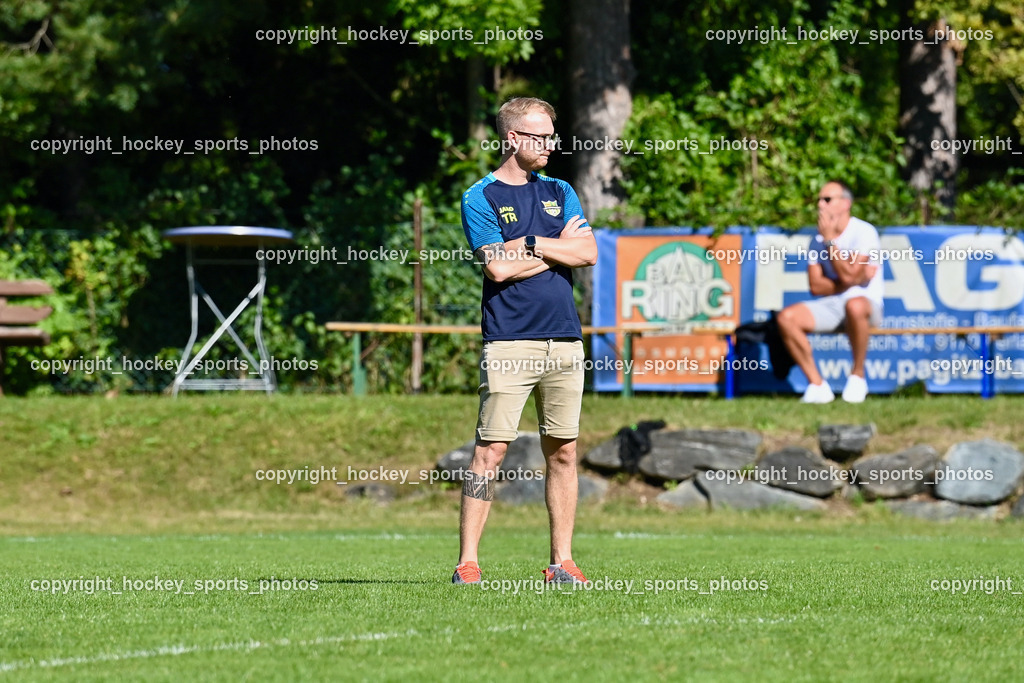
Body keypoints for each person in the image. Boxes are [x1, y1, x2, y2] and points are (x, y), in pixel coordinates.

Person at [453, 96, 597, 585]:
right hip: (509, 341)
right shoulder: (480, 196)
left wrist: (531, 244)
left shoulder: (561, 189)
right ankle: (468, 562)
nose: (551, 145)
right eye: (540, 137)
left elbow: (588, 252)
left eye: (553, 136)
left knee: (564, 451)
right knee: (489, 452)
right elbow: (496, 268)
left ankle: (562, 562)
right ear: (512, 139)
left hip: (565, 341)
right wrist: (558, 248)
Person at [777, 180, 884, 403]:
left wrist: (830, 243)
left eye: (827, 199)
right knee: (786, 318)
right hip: (832, 305)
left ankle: (858, 377)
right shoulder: (816, 240)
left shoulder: (864, 232)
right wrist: (853, 279)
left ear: (845, 203)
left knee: (854, 305)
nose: (820, 205)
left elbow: (848, 276)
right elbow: (816, 287)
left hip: (866, 305)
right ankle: (817, 386)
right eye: (819, 200)